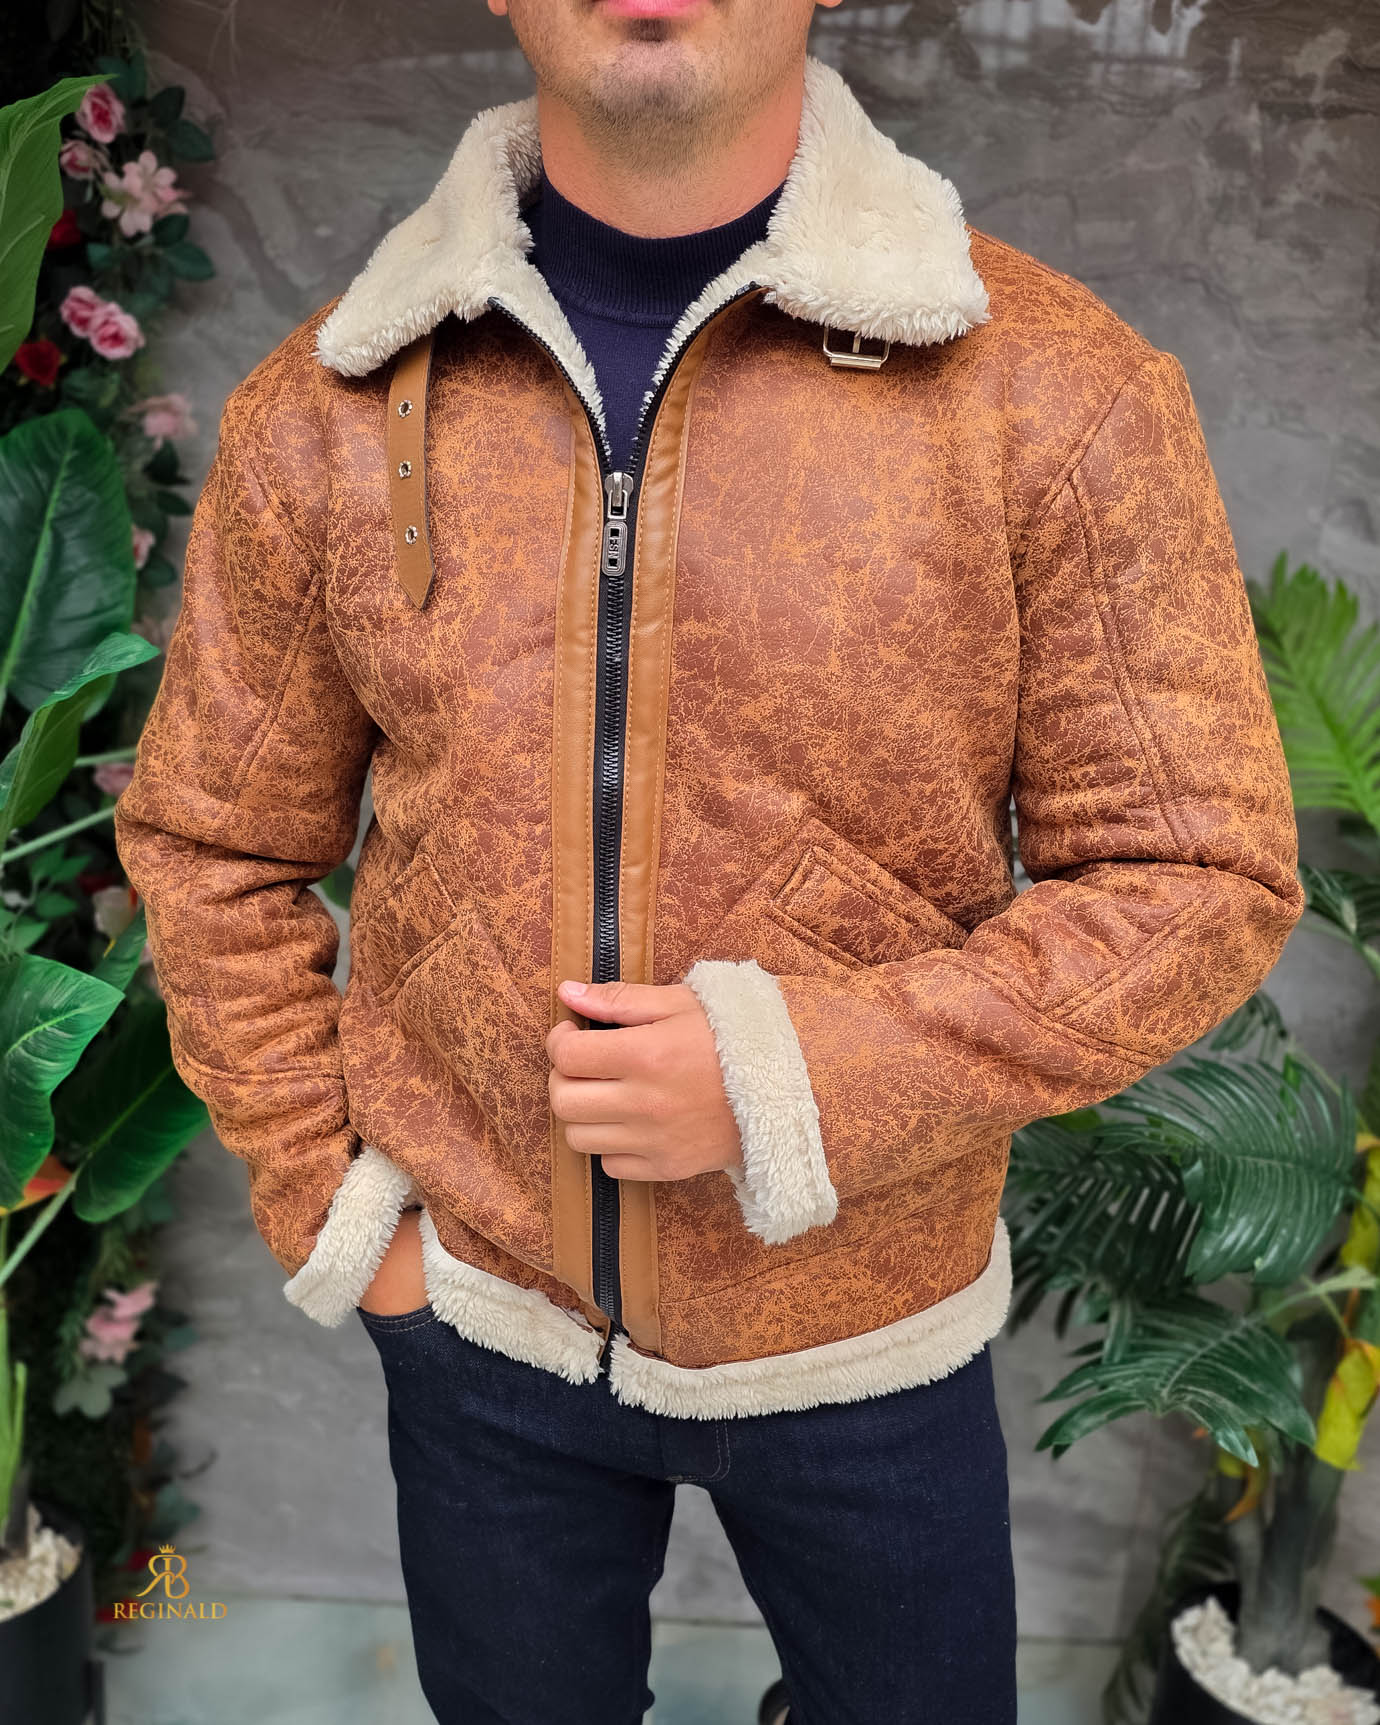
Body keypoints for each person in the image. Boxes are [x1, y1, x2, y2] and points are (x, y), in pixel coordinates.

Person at [111, 0, 1307, 1720]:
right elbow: (212, 838)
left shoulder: (1053, 387)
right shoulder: (332, 405)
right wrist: (342, 1209)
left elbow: (1199, 873)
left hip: (869, 1328)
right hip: (480, 1326)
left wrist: (797, 1076)